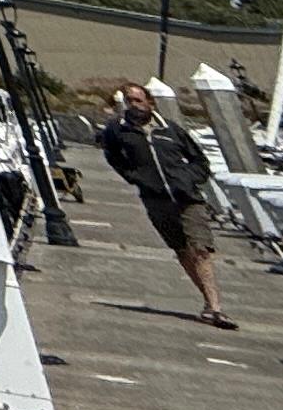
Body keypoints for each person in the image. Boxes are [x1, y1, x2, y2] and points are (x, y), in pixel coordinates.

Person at [97, 82, 234, 327]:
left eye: (138, 100)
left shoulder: (170, 130)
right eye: (129, 101)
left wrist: (189, 179)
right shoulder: (117, 131)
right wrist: (136, 177)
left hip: (187, 197)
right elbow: (114, 157)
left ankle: (215, 307)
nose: (134, 105)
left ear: (150, 102)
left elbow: (199, 160)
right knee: (182, 250)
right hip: (156, 199)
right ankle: (207, 301)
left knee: (201, 249)